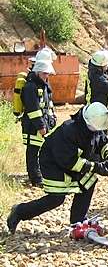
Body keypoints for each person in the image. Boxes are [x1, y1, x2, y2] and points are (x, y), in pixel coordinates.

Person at [7, 102, 108, 233]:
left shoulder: (94, 126)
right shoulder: (69, 130)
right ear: (86, 121)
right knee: (56, 199)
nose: (95, 131)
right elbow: (71, 162)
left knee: (88, 183)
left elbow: (104, 142)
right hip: (53, 163)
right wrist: (97, 167)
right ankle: (19, 212)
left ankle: (78, 221)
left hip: (70, 162)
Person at [20, 57, 57, 187]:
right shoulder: (30, 87)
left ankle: (41, 175)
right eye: (44, 73)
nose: (47, 76)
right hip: (32, 127)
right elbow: (33, 109)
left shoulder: (44, 85)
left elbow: (48, 105)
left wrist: (52, 120)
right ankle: (35, 179)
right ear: (37, 72)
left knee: (43, 151)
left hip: (43, 124)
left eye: (48, 73)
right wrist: (41, 126)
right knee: (33, 152)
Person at [85, 49, 108, 123]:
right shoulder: (97, 78)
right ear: (100, 66)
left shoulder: (94, 72)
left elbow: (105, 74)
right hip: (96, 111)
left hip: (96, 108)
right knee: (100, 132)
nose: (107, 66)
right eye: (106, 65)